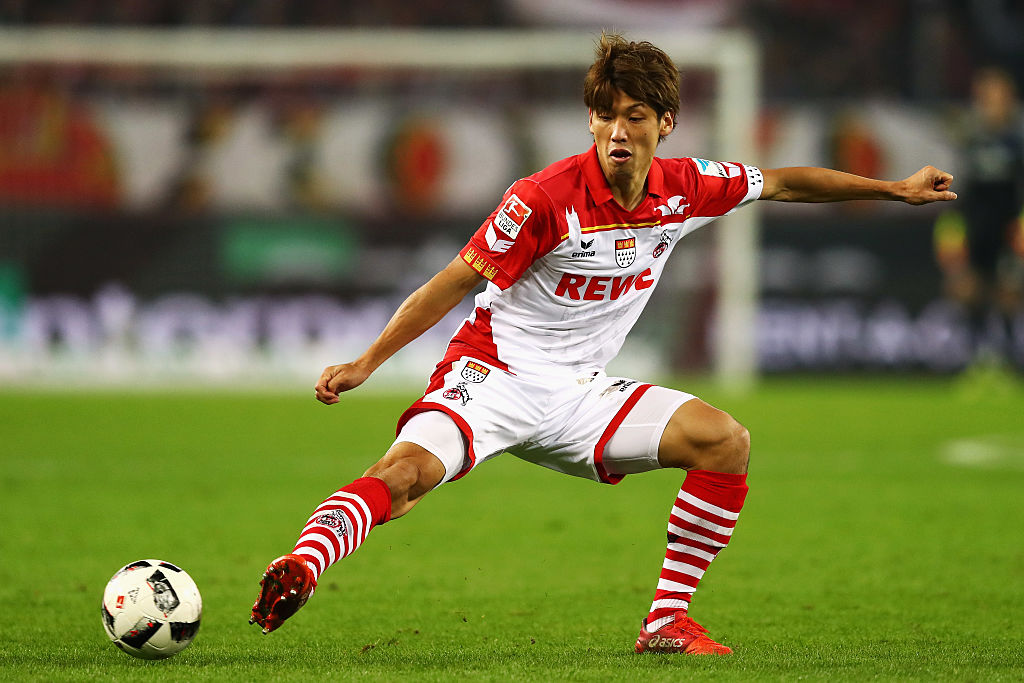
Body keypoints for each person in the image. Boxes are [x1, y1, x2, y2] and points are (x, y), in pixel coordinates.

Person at [249, 33, 957, 655]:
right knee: (403, 477)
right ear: (590, 118)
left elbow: (784, 184)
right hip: (491, 376)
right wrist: (367, 362)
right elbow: (452, 282)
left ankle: (666, 622)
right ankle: (301, 567)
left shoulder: (686, 187)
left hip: (581, 394)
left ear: (666, 123)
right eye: (605, 114)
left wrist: (894, 189)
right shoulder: (542, 198)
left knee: (724, 441)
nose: (617, 130)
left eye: (635, 115)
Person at [935, 66, 1024, 368]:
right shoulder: (968, 140)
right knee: (969, 292)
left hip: (1010, 229)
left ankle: (1010, 364)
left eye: (998, 96)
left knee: (1009, 295)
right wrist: (951, 241)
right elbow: (955, 197)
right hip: (976, 229)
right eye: (985, 97)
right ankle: (977, 361)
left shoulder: (1018, 140)